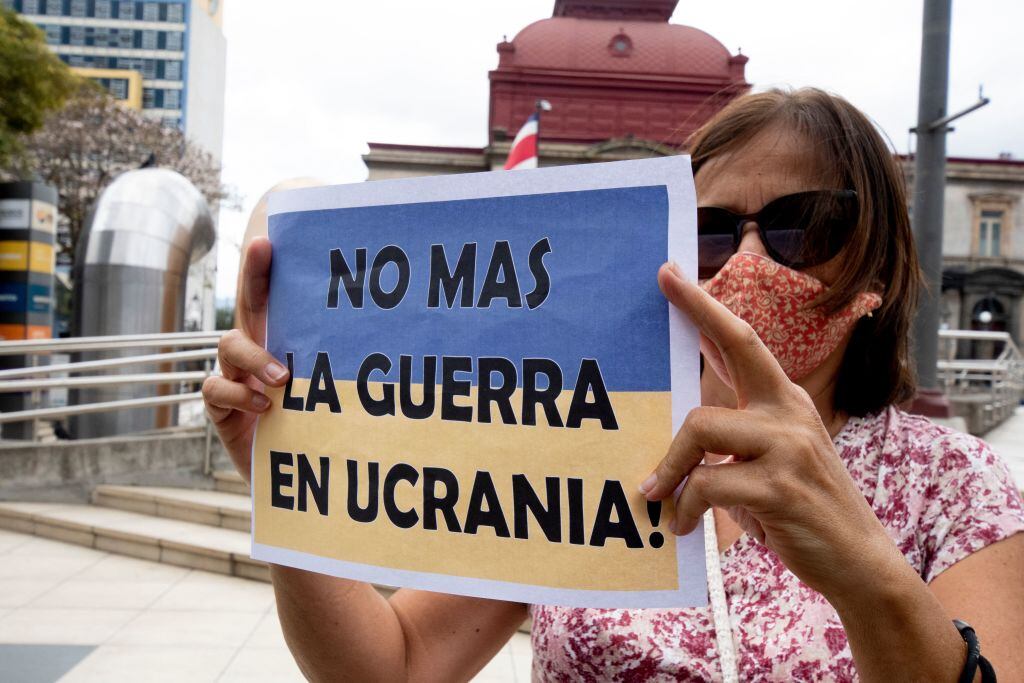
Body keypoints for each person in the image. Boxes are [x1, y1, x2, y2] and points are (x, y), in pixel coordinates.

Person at [203, 88, 1024, 681]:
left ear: (876, 262)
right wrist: (285, 472)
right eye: (707, 231)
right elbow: (393, 667)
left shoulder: (954, 485)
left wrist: (860, 566)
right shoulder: (581, 446)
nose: (746, 262)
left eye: (801, 224)